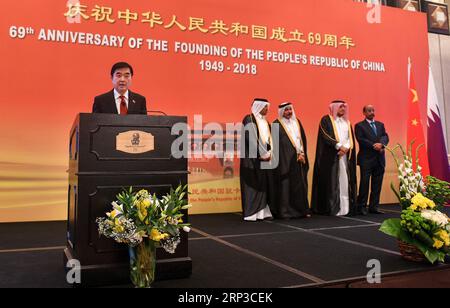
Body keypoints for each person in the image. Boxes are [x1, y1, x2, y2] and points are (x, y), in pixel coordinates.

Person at [311, 101, 357, 216]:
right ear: (334, 108)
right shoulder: (326, 120)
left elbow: (349, 137)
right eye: (340, 107)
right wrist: (338, 146)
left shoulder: (347, 122)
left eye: (344, 107)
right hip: (331, 157)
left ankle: (345, 208)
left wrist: (345, 148)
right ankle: (334, 207)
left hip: (345, 156)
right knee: (333, 182)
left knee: (345, 180)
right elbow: (325, 135)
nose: (343, 109)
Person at [272, 102, 310, 219]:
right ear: (281, 111)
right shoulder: (276, 124)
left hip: (299, 160)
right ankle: (285, 212)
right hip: (285, 161)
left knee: (300, 186)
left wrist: (302, 153)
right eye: (286, 110)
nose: (289, 112)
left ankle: (301, 211)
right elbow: (275, 145)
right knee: (285, 186)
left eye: (290, 109)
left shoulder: (297, 122)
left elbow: (302, 139)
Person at [240, 98, 275, 221]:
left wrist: (269, 152)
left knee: (263, 185)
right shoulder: (249, 119)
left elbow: (269, 140)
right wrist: (261, 153)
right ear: (259, 107)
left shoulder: (266, 122)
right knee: (252, 185)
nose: (267, 109)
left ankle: (263, 212)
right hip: (252, 159)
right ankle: (252, 214)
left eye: (267, 107)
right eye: (265, 107)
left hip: (264, 158)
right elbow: (251, 138)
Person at [355, 105, 389, 215]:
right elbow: (361, 139)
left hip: (379, 159)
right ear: (364, 112)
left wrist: (382, 144)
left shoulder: (380, 125)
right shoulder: (359, 126)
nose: (372, 112)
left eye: (373, 110)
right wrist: (374, 145)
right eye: (369, 110)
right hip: (366, 159)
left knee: (377, 184)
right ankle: (362, 207)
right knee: (364, 183)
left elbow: (385, 136)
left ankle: (374, 207)